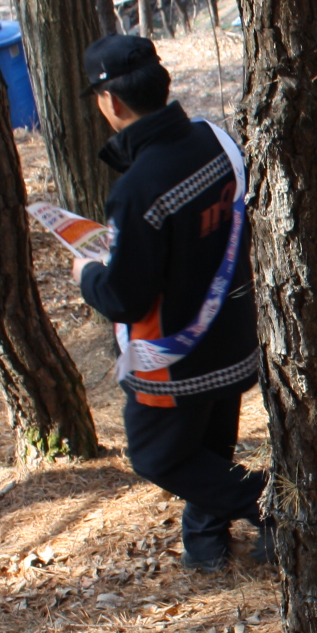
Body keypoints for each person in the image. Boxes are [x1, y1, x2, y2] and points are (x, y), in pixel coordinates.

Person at [71, 34, 271, 572]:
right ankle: (206, 546)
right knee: (209, 448)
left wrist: (88, 273)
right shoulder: (212, 141)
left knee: (156, 454)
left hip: (174, 354)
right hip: (231, 329)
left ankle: (274, 505)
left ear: (110, 101)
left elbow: (125, 297)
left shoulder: (139, 187)